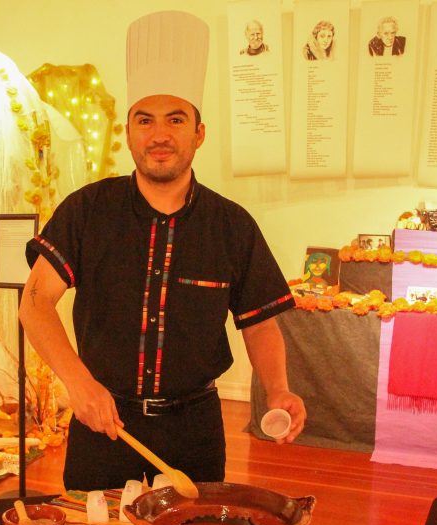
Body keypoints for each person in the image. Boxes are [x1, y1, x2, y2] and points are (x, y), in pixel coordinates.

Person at [20, 10, 306, 491]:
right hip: (103, 421)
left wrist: (278, 390)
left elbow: (259, 322)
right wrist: (78, 383)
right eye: (145, 120)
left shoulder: (232, 225)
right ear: (129, 131)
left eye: (176, 119)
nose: (159, 135)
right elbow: (34, 303)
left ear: (199, 132)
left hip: (194, 430)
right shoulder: (87, 210)